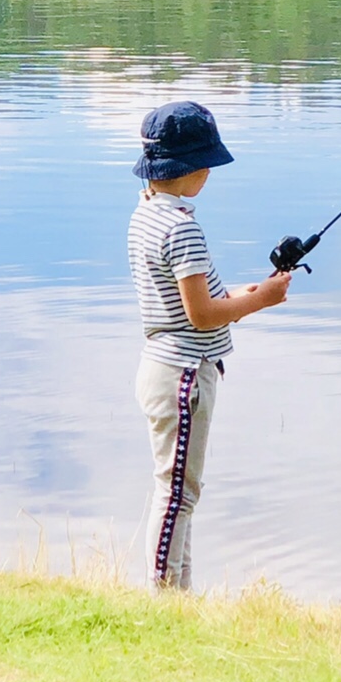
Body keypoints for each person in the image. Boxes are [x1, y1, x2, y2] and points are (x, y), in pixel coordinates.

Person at [128, 100, 291, 590]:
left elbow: (197, 300)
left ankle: (179, 593)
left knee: (180, 489)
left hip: (162, 366)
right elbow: (201, 316)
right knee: (178, 493)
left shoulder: (148, 217)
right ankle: (163, 596)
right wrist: (261, 301)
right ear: (197, 169)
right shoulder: (183, 228)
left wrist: (250, 292)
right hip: (184, 374)